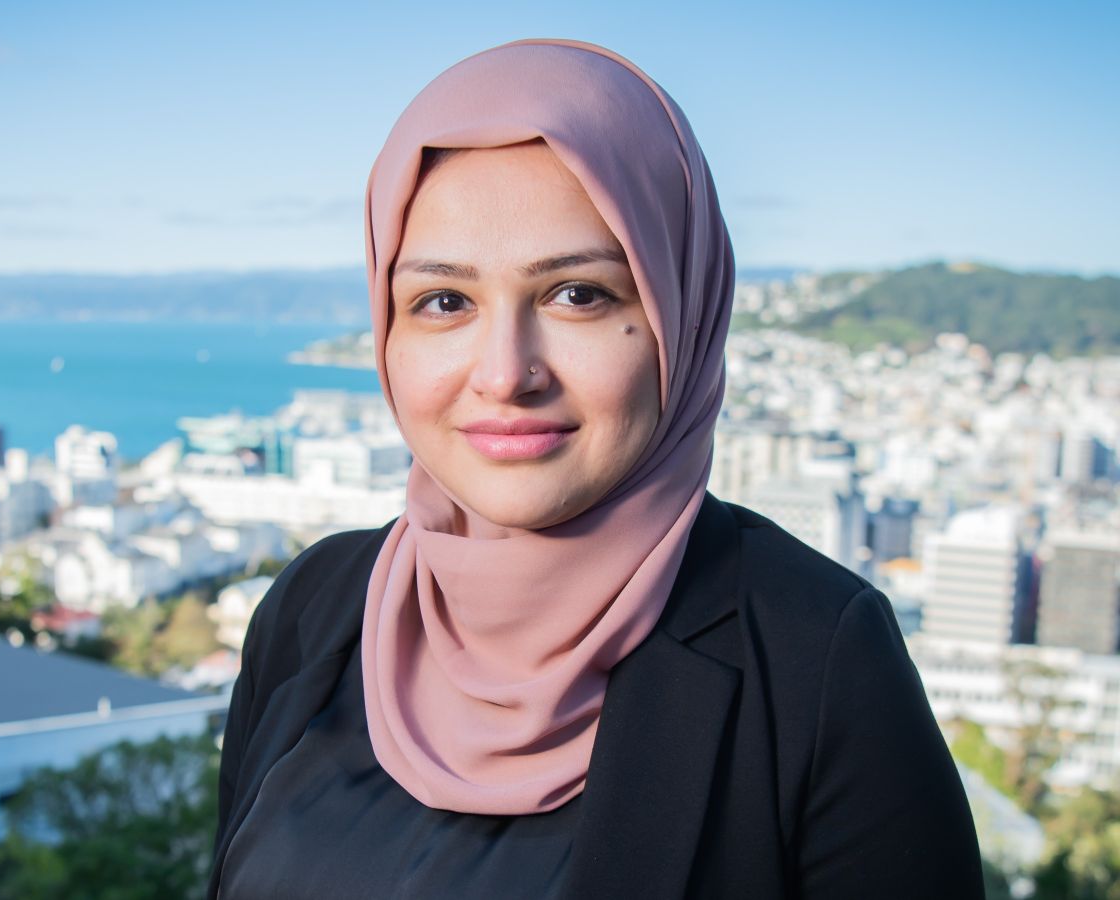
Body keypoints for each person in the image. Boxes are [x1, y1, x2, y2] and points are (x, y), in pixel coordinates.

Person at [207, 38, 983, 899]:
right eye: (443, 301)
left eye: (578, 294)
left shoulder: (817, 658)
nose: (505, 372)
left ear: (678, 315)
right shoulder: (316, 608)